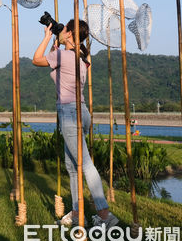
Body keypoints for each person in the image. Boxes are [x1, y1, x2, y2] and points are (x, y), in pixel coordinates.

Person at [32, 19, 118, 229]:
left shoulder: (62, 55)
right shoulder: (82, 57)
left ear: (70, 34)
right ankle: (78, 213)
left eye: (65, 30)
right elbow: (68, 59)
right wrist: (60, 41)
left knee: (84, 164)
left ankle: (105, 215)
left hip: (69, 112)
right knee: (72, 167)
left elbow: (36, 60)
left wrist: (47, 36)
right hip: (82, 111)